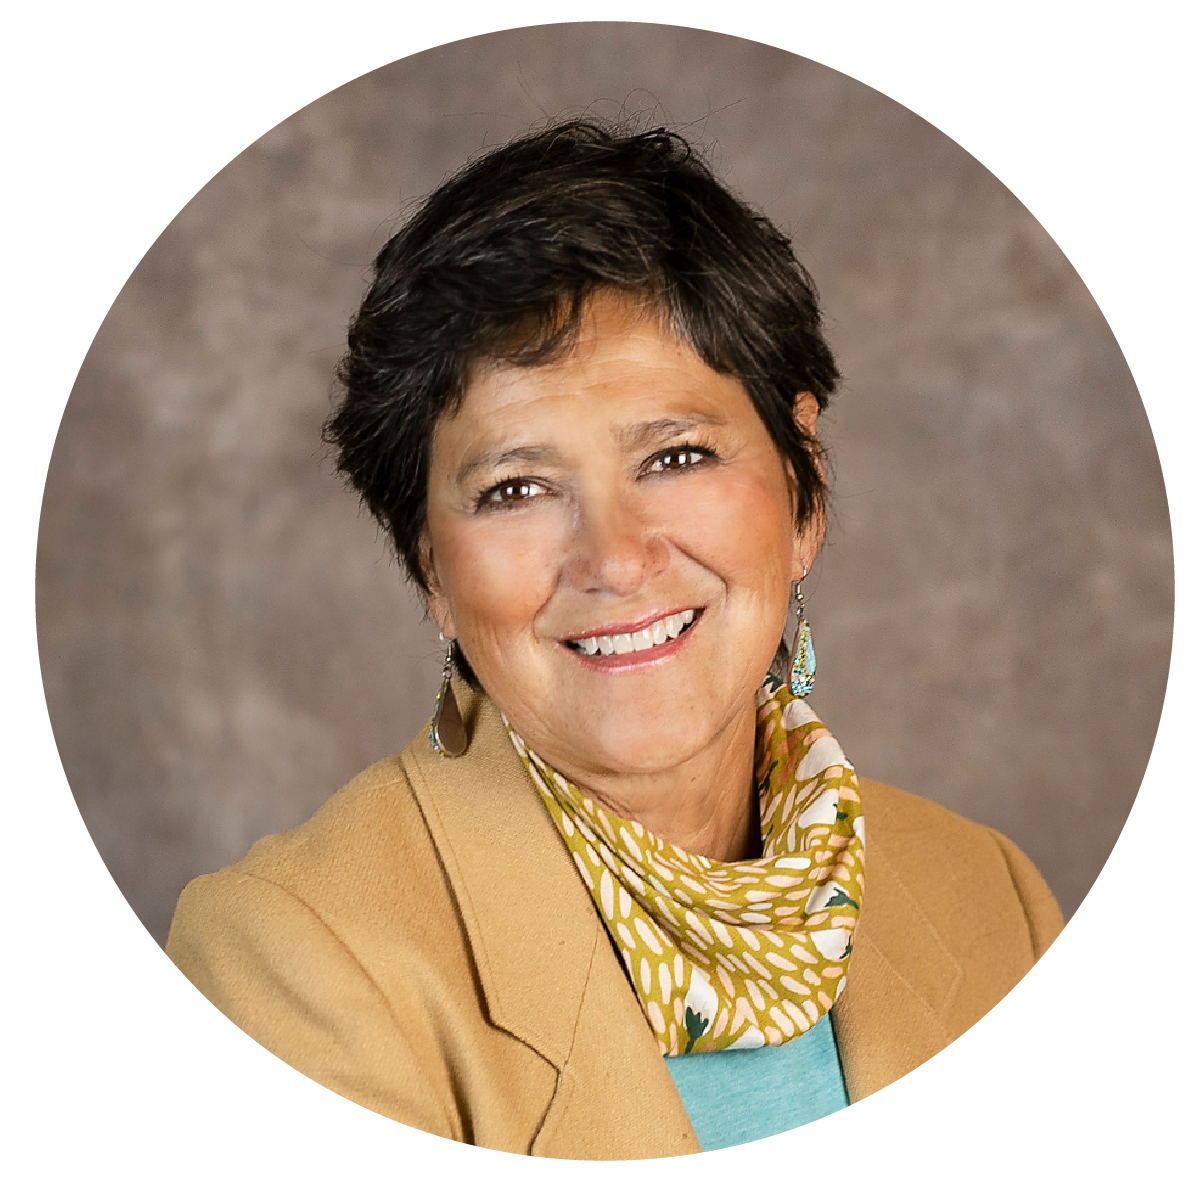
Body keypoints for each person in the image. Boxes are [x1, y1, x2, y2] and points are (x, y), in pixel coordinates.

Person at [166, 120, 1070, 1166]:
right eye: (515, 489)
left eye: (676, 456)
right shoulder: (288, 958)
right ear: (432, 569)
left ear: (803, 487)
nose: (618, 557)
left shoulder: (990, 895)